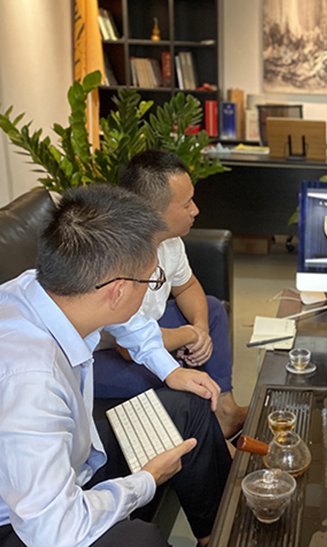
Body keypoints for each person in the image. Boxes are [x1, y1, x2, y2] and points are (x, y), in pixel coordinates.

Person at [0, 185, 232, 547]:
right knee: (140, 539)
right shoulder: (26, 380)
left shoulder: (40, 289)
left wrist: (171, 371)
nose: (150, 289)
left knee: (188, 406)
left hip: (58, 470)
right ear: (118, 291)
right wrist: (146, 481)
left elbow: (128, 321)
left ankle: (217, 535)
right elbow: (55, 529)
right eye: (151, 280)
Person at [93, 150, 247, 438]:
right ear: (152, 213)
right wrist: (190, 335)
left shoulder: (169, 241)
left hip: (142, 333)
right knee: (170, 372)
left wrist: (201, 328)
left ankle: (225, 409)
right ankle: (203, 434)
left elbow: (187, 286)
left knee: (213, 308)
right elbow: (130, 346)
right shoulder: (120, 257)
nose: (195, 210)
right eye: (187, 204)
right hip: (101, 354)